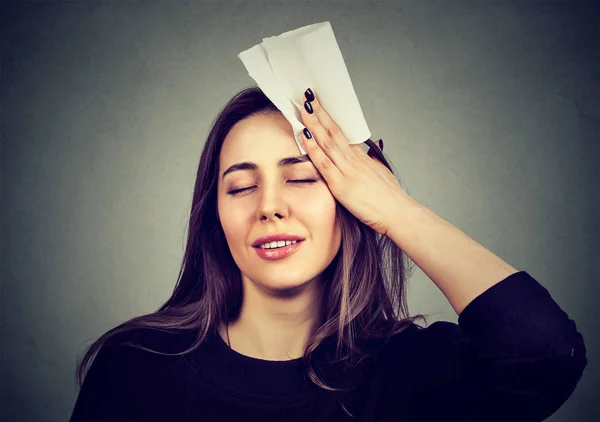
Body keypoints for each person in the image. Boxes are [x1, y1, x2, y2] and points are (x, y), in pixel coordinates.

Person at [69, 87, 587, 421]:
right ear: (214, 216)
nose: (270, 207)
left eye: (301, 178)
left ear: (351, 199)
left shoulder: (410, 371)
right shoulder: (136, 368)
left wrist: (395, 209)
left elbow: (543, 354)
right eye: (241, 187)